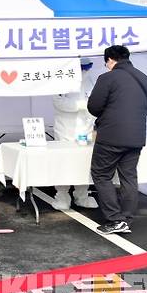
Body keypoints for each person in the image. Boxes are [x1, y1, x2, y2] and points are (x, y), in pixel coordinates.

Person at [88, 45, 147, 235]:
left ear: (109, 60)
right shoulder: (143, 78)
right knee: (129, 177)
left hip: (111, 135)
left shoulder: (107, 78)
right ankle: (126, 219)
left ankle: (115, 219)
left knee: (101, 174)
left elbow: (94, 106)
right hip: (136, 136)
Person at [51, 57, 98, 210]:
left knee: (84, 163)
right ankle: (62, 196)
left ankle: (82, 195)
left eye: (87, 68)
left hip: (85, 129)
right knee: (64, 162)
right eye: (82, 68)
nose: (84, 71)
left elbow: (96, 101)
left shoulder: (92, 80)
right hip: (65, 129)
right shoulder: (60, 80)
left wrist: (90, 111)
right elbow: (58, 102)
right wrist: (81, 105)